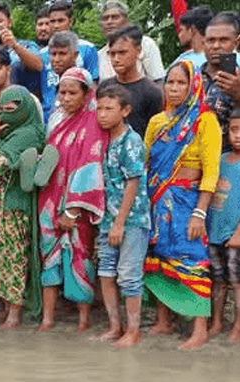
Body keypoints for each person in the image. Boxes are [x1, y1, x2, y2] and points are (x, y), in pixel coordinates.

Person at [143, 61, 222, 350]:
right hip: (156, 201)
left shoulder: (205, 120)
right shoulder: (156, 122)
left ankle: (199, 328)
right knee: (158, 259)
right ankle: (164, 321)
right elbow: (147, 162)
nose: (174, 89)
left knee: (192, 257)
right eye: (170, 83)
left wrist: (200, 212)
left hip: (188, 202)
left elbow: (211, 171)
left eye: (181, 84)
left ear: (193, 86)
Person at [35, 68, 108, 333]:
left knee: (80, 257)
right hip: (50, 199)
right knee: (49, 256)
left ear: (87, 94)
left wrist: (74, 210)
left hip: (76, 206)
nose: (65, 98)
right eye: (61, 92)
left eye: (72, 93)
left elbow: (90, 166)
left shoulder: (93, 123)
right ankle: (48, 319)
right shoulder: (56, 120)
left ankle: (83, 318)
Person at [0, 85, 45, 330]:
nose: (6, 115)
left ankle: (14, 315)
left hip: (15, 206)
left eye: (11, 110)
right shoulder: (13, 133)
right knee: (0, 257)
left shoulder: (27, 134)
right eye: (2, 110)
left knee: (13, 258)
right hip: (3, 204)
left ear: (25, 109)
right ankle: (8, 310)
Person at [93, 83, 151, 348]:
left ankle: (134, 330)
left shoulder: (131, 141)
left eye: (109, 109)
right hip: (107, 218)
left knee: (128, 275)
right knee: (105, 272)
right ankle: (115, 326)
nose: (102, 114)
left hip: (132, 220)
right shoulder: (104, 140)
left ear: (125, 111)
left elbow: (133, 182)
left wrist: (119, 223)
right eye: (99, 108)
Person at [205, 107, 240, 344]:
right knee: (217, 279)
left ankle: (239, 327)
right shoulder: (220, 159)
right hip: (215, 232)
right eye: (234, 129)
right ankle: (217, 321)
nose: (238, 135)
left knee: (239, 280)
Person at [103, 26, 164, 138]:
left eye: (122, 53)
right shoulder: (105, 87)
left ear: (138, 51)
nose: (116, 59)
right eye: (112, 54)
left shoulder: (152, 92)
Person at [202, 14, 240, 148]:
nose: (216, 46)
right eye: (211, 40)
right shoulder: (190, 77)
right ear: (203, 43)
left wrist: (238, 95)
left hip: (227, 157)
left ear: (236, 43)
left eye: (223, 40)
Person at [97, 1, 165, 82]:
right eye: (105, 18)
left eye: (115, 17)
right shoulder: (100, 56)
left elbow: (157, 81)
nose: (109, 22)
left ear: (126, 21)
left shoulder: (145, 44)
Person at [45, 0, 99, 80]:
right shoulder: (42, 53)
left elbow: (93, 82)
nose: (56, 26)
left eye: (61, 21)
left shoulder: (87, 48)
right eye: (52, 21)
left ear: (70, 21)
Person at [41, 32, 80, 127]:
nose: (57, 59)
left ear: (75, 55)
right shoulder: (52, 79)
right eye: (53, 54)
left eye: (62, 54)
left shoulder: (81, 82)